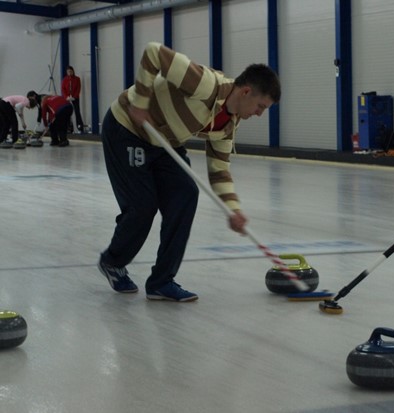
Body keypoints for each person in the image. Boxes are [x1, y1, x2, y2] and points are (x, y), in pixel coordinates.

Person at [98, 41, 280, 302]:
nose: (260, 114)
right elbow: (153, 53)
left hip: (164, 141)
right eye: (261, 106)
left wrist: (232, 208)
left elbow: (219, 170)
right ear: (246, 91)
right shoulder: (204, 84)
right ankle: (113, 262)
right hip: (127, 129)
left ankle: (161, 281)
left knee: (185, 193)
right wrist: (140, 101)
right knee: (142, 206)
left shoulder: (229, 124)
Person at [61, 65, 85, 134]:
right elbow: (63, 89)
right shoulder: (65, 79)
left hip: (75, 98)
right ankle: (69, 128)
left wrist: (74, 96)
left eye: (71, 71)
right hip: (67, 98)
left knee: (77, 112)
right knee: (67, 113)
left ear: (73, 71)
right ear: (67, 72)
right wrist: (66, 97)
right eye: (68, 71)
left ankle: (80, 127)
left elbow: (78, 88)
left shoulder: (77, 79)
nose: (69, 73)